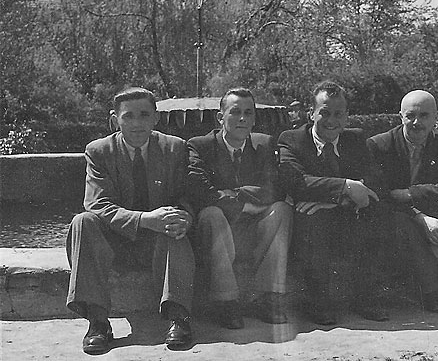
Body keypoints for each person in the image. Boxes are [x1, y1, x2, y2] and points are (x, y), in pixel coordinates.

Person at [66, 87, 195, 355]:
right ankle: (98, 322)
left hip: (158, 239)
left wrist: (186, 216)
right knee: (83, 222)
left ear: (156, 118)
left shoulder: (174, 148)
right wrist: (144, 219)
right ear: (115, 120)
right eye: (128, 116)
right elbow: (97, 204)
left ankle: (178, 317)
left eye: (144, 115)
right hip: (116, 238)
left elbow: (187, 194)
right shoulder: (99, 151)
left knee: (174, 224)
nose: (137, 123)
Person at [278, 81, 389, 325]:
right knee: (314, 218)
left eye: (338, 114)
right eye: (325, 113)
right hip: (308, 220)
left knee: (376, 213)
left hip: (344, 212)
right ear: (311, 113)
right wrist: (346, 187)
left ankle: (366, 298)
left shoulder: (355, 139)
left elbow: (374, 182)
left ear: (346, 116)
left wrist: (336, 199)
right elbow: (296, 182)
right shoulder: (292, 140)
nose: (331, 121)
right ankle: (318, 301)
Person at [187, 87, 293, 329]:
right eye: (235, 112)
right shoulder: (200, 146)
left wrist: (232, 194)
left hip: (252, 229)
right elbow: (199, 190)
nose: (242, 118)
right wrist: (244, 204)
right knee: (211, 213)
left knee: (281, 209)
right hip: (217, 230)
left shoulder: (264, 144)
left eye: (248, 113)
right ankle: (226, 302)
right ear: (220, 117)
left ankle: (267, 296)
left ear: (254, 119)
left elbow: (275, 189)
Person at [366, 90, 438, 315]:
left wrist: (410, 193)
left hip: (429, 208)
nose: (417, 122)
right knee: (401, 222)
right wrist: (419, 216)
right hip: (398, 214)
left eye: (424, 116)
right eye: (410, 116)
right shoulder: (380, 145)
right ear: (401, 117)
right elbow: (381, 194)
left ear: (436, 117)